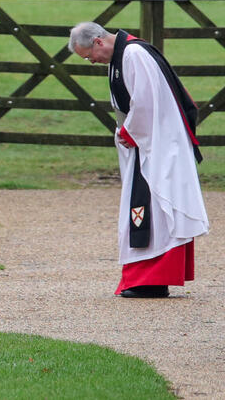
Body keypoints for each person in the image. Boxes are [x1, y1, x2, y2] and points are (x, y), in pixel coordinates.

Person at [69, 22, 209, 298]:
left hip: (158, 144)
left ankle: (151, 280)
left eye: (89, 56)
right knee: (149, 208)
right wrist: (127, 130)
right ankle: (146, 278)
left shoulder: (134, 54)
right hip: (147, 141)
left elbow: (146, 101)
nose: (92, 62)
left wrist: (130, 131)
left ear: (98, 42)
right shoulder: (121, 56)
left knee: (156, 206)